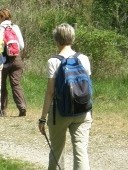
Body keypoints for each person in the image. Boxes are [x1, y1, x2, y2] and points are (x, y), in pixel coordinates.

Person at [38, 23, 92, 169]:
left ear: (56, 39)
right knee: (81, 151)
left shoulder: (53, 61)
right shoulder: (84, 59)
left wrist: (43, 117)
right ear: (72, 38)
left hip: (59, 112)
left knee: (57, 150)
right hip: (82, 110)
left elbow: (50, 92)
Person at [0, 8, 27, 117]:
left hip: (3, 59)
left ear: (2, 17)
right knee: (16, 84)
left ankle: (2, 110)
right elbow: (21, 45)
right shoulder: (15, 27)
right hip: (16, 59)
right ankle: (22, 106)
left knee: (1, 85)